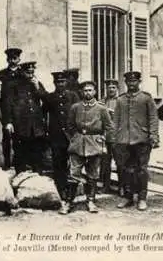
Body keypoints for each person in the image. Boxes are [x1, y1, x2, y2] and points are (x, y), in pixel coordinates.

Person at [65, 81, 114, 214]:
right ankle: (69, 202)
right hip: (78, 144)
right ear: (81, 92)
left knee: (92, 174)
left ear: (95, 92)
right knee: (73, 174)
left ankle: (91, 201)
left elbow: (109, 127)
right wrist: (74, 139)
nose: (87, 93)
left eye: (90, 90)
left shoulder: (101, 108)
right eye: (85, 90)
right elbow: (69, 126)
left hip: (94, 144)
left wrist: (102, 139)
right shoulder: (76, 107)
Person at [113, 71, 159, 211]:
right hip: (124, 140)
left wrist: (154, 136)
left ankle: (142, 198)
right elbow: (116, 120)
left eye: (134, 81)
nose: (131, 84)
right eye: (129, 81)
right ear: (125, 83)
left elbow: (153, 118)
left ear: (139, 82)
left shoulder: (146, 98)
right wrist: (115, 138)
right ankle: (128, 197)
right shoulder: (120, 100)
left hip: (142, 139)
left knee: (141, 170)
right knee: (126, 170)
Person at [2, 61, 48, 173]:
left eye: (32, 72)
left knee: (37, 155)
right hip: (21, 125)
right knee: (20, 155)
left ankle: (37, 179)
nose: (31, 75)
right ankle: (21, 179)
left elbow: (46, 100)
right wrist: (8, 122)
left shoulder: (37, 84)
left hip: (36, 127)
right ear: (22, 72)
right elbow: (6, 104)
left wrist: (37, 86)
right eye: (28, 72)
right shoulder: (13, 85)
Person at [45, 71, 80, 214]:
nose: (60, 84)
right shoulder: (50, 97)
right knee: (58, 166)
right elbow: (43, 114)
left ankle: (71, 196)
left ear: (67, 83)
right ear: (54, 83)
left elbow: (79, 114)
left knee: (73, 167)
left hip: (71, 137)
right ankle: (62, 194)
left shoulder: (73, 96)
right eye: (58, 82)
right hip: (56, 137)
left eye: (63, 82)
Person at [0, 47, 23, 170]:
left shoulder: (23, 74)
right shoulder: (1, 74)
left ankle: (18, 165)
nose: (12, 60)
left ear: (19, 59)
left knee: (19, 139)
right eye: (10, 58)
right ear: (7, 59)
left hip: (20, 112)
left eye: (15, 58)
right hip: (6, 110)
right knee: (6, 138)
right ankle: (6, 164)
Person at [99, 79, 120, 195]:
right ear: (105, 89)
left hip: (117, 136)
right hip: (104, 137)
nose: (111, 90)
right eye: (109, 87)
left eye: (113, 88)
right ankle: (105, 186)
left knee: (120, 162)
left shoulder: (121, 101)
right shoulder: (101, 102)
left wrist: (113, 113)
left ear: (117, 89)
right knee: (105, 163)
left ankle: (122, 186)